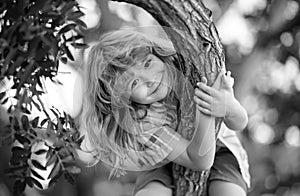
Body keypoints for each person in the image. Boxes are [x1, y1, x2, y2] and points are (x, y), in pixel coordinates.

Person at [78, 29, 250, 196]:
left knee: (229, 191)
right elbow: (198, 160)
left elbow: (240, 122)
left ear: (158, 54)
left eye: (147, 63)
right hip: (163, 160)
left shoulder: (187, 70)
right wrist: (206, 111)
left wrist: (228, 107)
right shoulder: (142, 120)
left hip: (221, 149)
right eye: (134, 83)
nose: (149, 79)